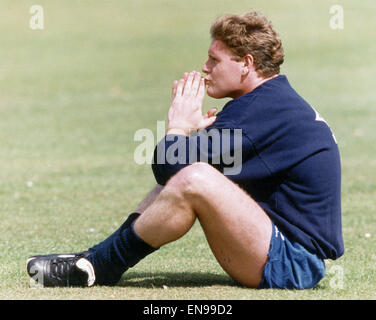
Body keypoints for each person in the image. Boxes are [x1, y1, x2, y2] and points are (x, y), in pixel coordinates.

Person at [26, 11, 344, 289]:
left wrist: (177, 127)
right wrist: (190, 135)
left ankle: (101, 265)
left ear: (246, 64)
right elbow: (177, 168)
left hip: (292, 264)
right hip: (279, 250)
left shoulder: (264, 108)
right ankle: (95, 260)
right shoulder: (268, 102)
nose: (205, 68)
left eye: (215, 60)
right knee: (186, 175)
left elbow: (171, 165)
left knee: (193, 179)